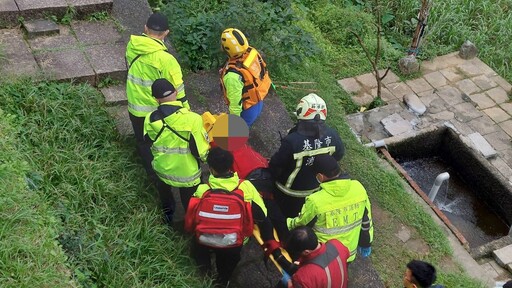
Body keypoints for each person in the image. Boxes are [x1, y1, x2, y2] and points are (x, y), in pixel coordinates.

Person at [185, 147, 280, 287]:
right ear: (231, 166)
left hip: (205, 238)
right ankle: (223, 281)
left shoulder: (203, 190)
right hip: (234, 241)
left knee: (200, 254)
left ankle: (205, 276)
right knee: (227, 264)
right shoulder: (245, 187)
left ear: (211, 169)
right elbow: (262, 214)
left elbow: (191, 217)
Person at [126, 12, 189, 180]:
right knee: (162, 142)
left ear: (145, 28)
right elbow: (179, 90)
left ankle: (152, 177)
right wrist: (186, 113)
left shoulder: (132, 46)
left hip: (136, 109)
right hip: (158, 111)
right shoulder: (167, 60)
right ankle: (166, 175)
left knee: (143, 143)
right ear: (166, 33)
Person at [269, 93, 345, 218]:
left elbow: (276, 165)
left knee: (283, 217)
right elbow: (338, 155)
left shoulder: (292, 141)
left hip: (288, 191)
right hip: (315, 190)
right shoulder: (333, 135)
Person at [144, 79, 208, 224]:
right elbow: (200, 151)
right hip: (188, 175)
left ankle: (168, 216)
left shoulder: (150, 118)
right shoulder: (193, 119)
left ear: (156, 99)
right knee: (190, 202)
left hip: (162, 170)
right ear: (176, 92)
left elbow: (148, 140)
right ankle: (191, 223)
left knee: (165, 195)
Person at [287, 154, 373, 262]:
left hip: (323, 258)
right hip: (348, 255)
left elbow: (301, 224)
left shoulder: (316, 200)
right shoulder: (358, 188)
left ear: (320, 176)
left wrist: (286, 223)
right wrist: (366, 243)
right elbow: (366, 221)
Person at [219, 28, 272, 127]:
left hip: (247, 108)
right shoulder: (250, 52)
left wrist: (234, 124)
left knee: (237, 134)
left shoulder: (232, 77)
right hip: (258, 101)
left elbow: (235, 106)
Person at [280, 226, 349, 288]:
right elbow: (346, 254)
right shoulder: (336, 244)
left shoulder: (303, 277)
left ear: (306, 252)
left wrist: (289, 281)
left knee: (285, 278)